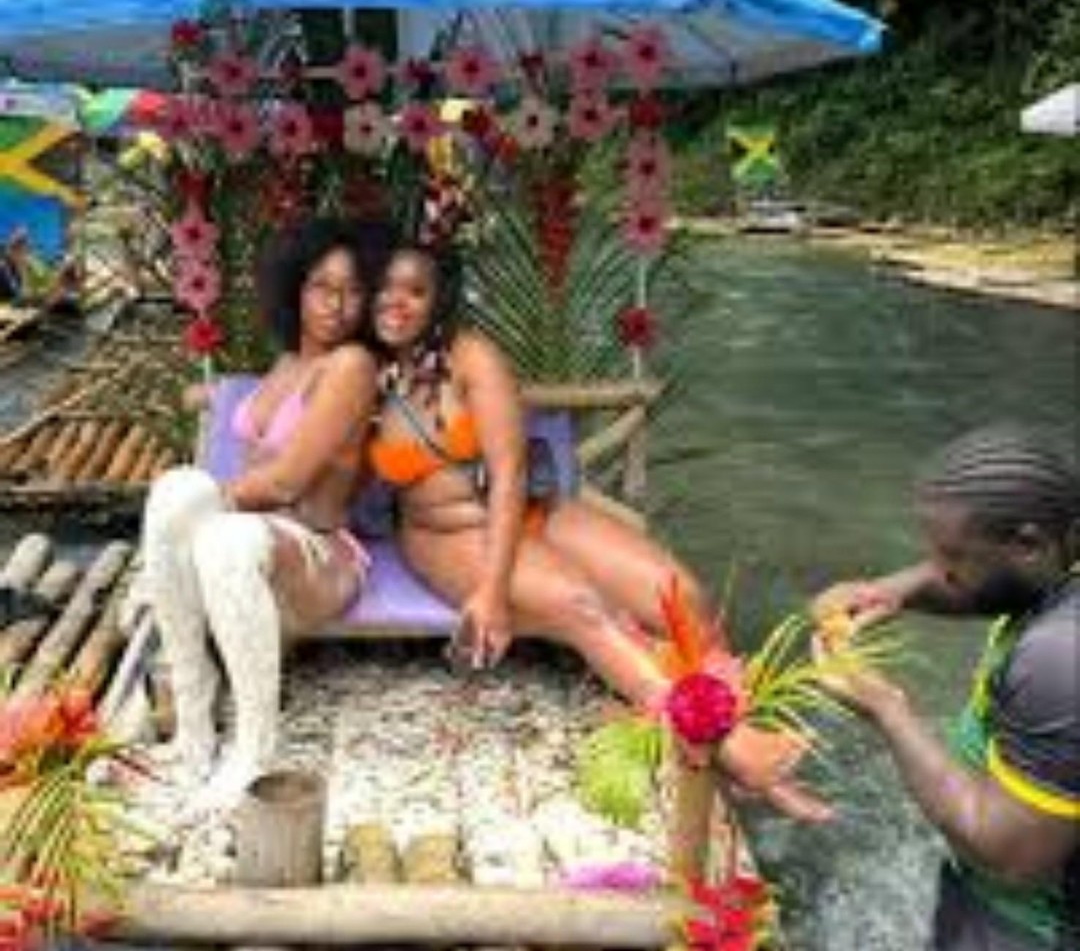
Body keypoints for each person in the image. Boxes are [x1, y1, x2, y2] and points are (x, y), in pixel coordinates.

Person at [368, 237, 829, 817]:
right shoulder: (364, 370)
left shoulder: (473, 358)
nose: (396, 302)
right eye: (384, 288)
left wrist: (494, 588)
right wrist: (489, 591)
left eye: (414, 290)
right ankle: (730, 748)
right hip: (445, 537)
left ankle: (742, 743)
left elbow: (509, 476)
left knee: (682, 596)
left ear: (438, 299)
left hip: (528, 509)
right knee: (582, 607)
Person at [132, 217, 380, 809]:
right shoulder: (287, 365)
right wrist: (190, 511)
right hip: (260, 542)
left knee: (219, 534)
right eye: (322, 287)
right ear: (296, 288)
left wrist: (206, 512)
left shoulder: (352, 366)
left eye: (353, 291)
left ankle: (252, 751)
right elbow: (254, 478)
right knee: (174, 490)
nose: (337, 304)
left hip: (320, 551)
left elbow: (289, 479)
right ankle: (194, 725)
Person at [812, 424, 1079, 950]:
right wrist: (891, 592)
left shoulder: (1059, 658)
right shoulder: (1059, 551)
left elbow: (1011, 857)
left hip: (1032, 927)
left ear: (1029, 543)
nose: (938, 571)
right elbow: (997, 583)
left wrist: (887, 709)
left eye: (952, 558)